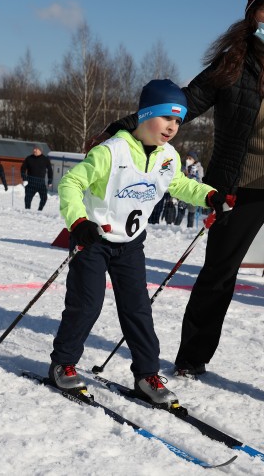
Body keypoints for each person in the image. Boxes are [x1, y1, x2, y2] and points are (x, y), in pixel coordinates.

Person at [87, 0, 264, 410]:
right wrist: (123, 126)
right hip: (238, 189)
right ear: (253, 15)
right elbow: (182, 102)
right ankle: (192, 359)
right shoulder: (231, 64)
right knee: (218, 276)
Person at [48, 79, 228, 407]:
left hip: (130, 244)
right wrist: (78, 221)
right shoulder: (111, 151)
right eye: (166, 118)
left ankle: (147, 374)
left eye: (178, 121)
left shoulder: (167, 157)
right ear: (146, 115)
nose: (172, 127)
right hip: (93, 238)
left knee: (138, 309)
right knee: (87, 304)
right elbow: (71, 183)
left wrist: (211, 196)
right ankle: (63, 363)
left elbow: (182, 186)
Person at [174, 150, 205, 227]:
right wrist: (185, 173)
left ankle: (189, 228)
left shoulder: (199, 168)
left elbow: (200, 180)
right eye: (187, 158)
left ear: (195, 159)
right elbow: (179, 178)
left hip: (193, 193)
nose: (188, 160)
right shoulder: (184, 167)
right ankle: (175, 227)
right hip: (184, 192)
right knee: (181, 211)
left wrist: (195, 175)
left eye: (190, 158)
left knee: (191, 213)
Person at [21, 145, 53, 211]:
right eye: (34, 149)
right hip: (30, 182)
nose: (34, 150)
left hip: (41, 183)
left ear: (40, 150)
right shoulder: (29, 158)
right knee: (28, 198)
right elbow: (23, 169)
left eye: (36, 149)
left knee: (44, 198)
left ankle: (39, 210)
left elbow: (50, 170)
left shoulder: (45, 159)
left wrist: (50, 181)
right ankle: (27, 210)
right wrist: (24, 178)